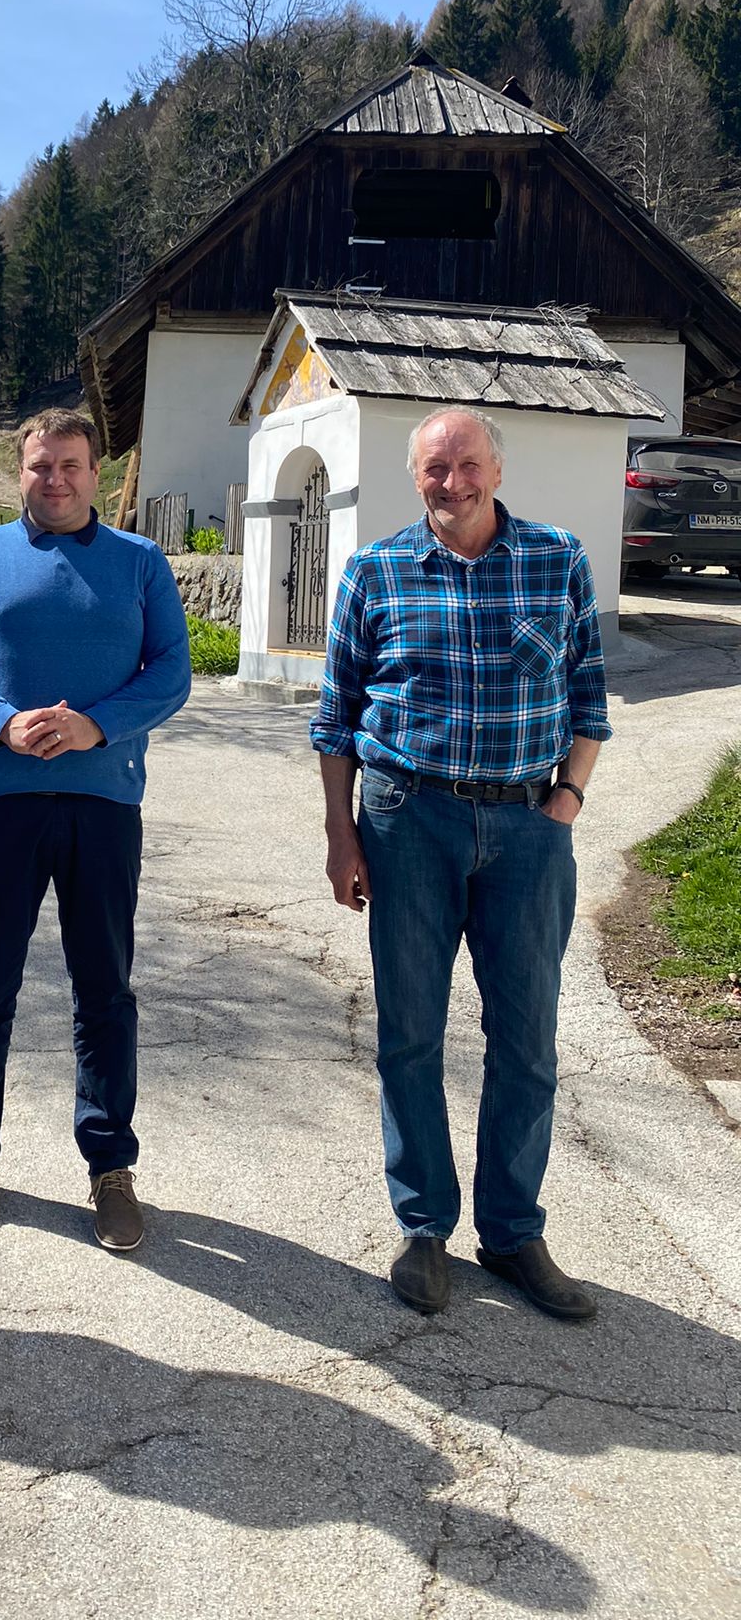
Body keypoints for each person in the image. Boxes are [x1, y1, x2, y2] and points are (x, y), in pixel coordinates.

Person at [312, 405, 610, 1321]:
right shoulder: (376, 570)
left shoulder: (557, 558)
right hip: (408, 822)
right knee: (410, 1032)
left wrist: (567, 799)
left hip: (528, 829)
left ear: (497, 469)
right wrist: (341, 835)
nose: (453, 482)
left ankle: (513, 1233)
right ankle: (423, 1226)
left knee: (527, 1040)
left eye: (468, 464)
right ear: (416, 477)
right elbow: (336, 716)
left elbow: (589, 696)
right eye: (436, 468)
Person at [0, 409, 191, 1252]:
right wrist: (3, 721)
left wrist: (94, 726)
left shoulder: (140, 562)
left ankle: (110, 1167)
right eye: (40, 466)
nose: (55, 479)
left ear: (97, 472)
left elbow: (171, 672)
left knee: (104, 990)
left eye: (71, 464)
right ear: (21, 471)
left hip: (104, 802)